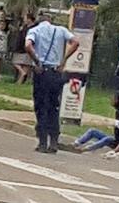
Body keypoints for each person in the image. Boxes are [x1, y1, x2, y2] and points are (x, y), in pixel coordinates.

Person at [25, 12, 79, 153]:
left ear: (39, 21)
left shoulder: (34, 30)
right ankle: (54, 141)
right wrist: (63, 60)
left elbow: (28, 45)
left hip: (42, 72)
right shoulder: (61, 30)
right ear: (51, 20)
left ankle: (42, 142)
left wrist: (37, 61)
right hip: (56, 72)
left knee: (41, 106)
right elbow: (75, 42)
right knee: (54, 106)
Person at [12, 13, 36, 84]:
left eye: (25, 18)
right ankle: (22, 76)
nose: (24, 20)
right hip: (20, 47)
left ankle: (21, 80)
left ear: (29, 19)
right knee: (17, 62)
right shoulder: (24, 27)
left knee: (25, 64)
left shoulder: (33, 28)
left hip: (27, 47)